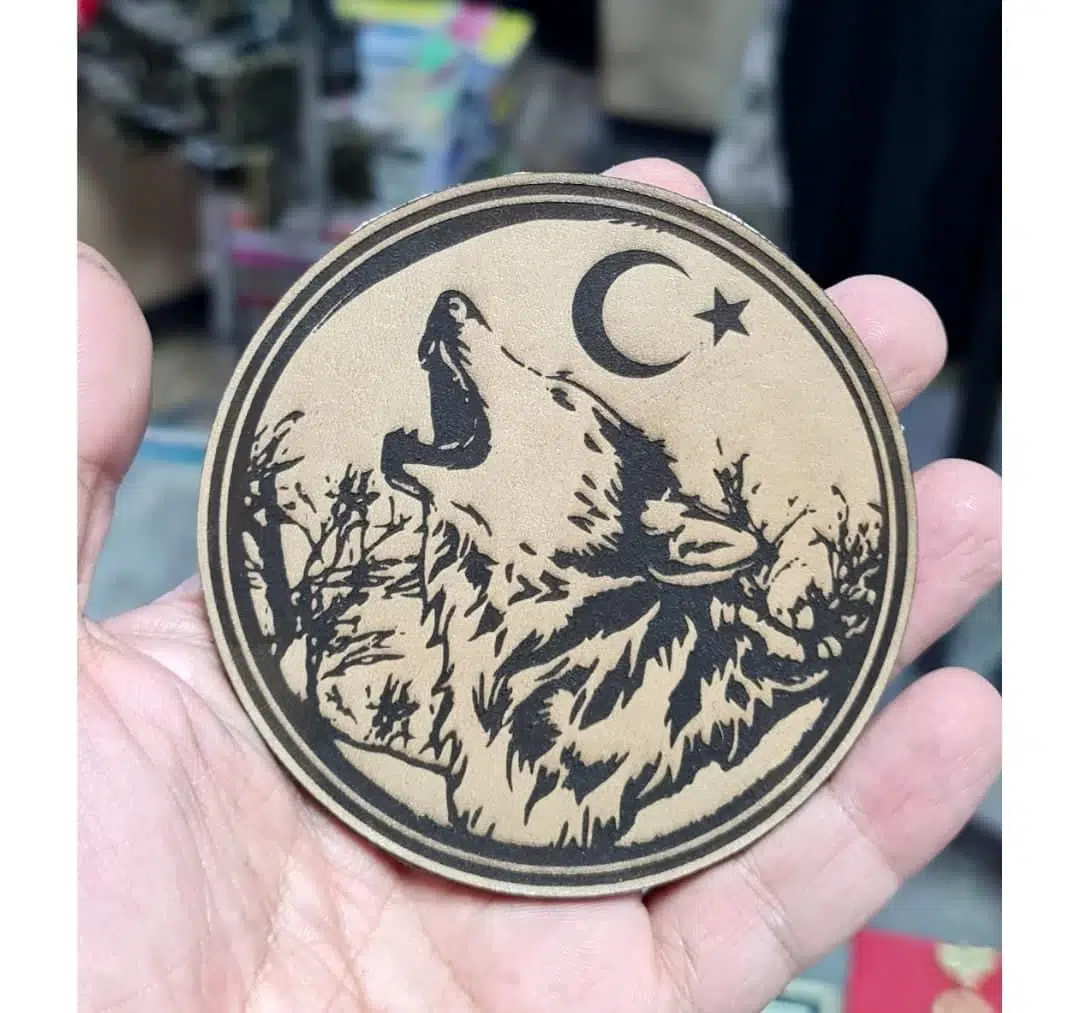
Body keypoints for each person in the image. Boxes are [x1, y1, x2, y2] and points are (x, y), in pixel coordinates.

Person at [78, 159, 1002, 1013]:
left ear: (666, 542)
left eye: (559, 400)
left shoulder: (635, 724)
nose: (465, 325)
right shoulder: (445, 667)